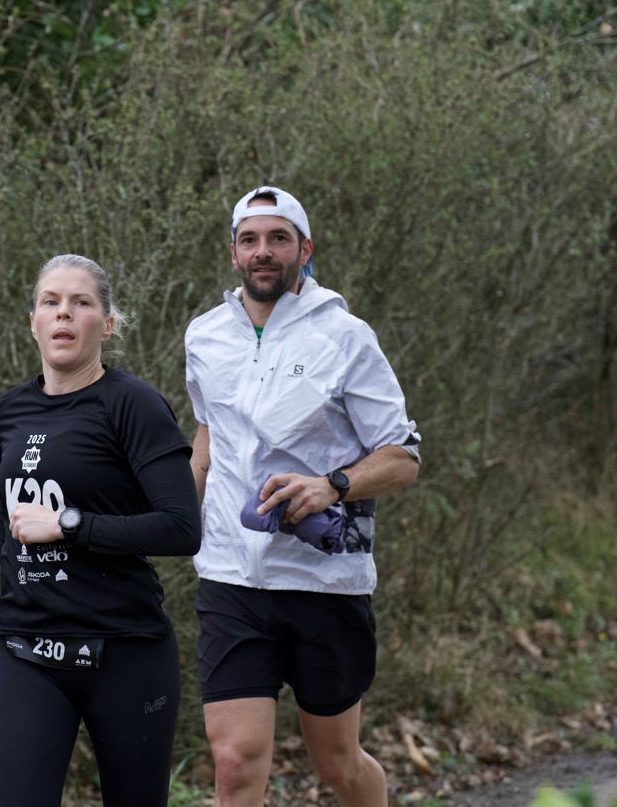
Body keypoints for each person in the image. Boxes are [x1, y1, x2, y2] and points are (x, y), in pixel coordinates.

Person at [184, 186, 421, 806]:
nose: (263, 252)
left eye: (278, 239)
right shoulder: (204, 336)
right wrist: (172, 518)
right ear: (233, 253)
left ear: (304, 249)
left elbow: (403, 458)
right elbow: (208, 437)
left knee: (337, 763)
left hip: (323, 581)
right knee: (233, 762)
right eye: (249, 240)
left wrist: (330, 485)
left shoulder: (346, 337)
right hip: (231, 577)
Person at [0, 253, 201, 807]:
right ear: (33, 321)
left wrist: (68, 524)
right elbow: (3, 503)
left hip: (124, 650)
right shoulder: (10, 409)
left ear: (106, 324)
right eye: (51, 302)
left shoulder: (133, 404)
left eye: (80, 302)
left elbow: (182, 528)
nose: (63, 313)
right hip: (23, 645)